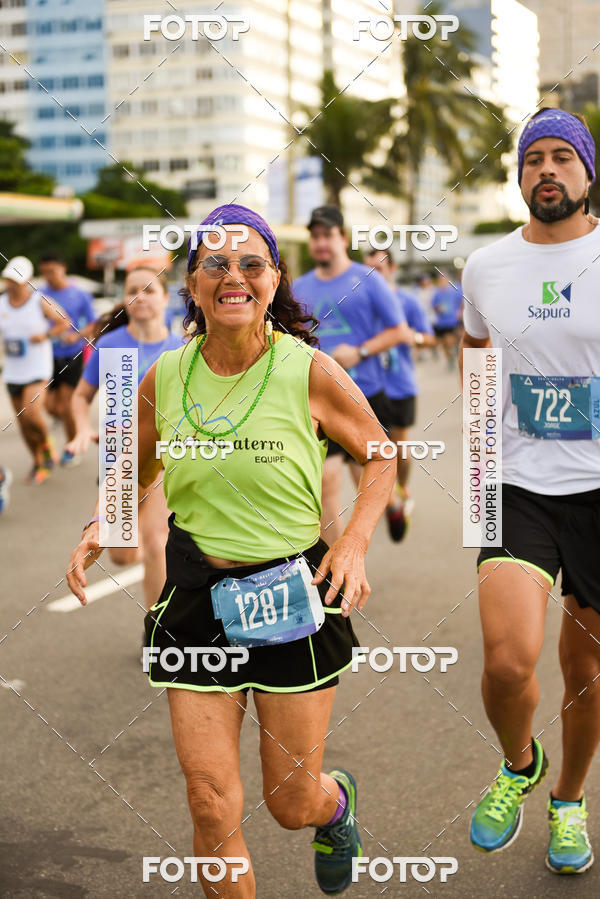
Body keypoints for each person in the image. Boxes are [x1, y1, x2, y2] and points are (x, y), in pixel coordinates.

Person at [66, 204, 396, 898]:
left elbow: (381, 454)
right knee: (210, 800)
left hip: (291, 594)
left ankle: (335, 807)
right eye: (216, 262)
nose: (234, 276)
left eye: (251, 263)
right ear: (192, 283)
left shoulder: (307, 371)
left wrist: (358, 540)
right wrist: (104, 520)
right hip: (194, 597)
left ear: (274, 281)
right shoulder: (166, 375)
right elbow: (136, 465)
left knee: (289, 801)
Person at [462, 108, 600, 874]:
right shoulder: (486, 267)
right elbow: (476, 359)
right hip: (516, 482)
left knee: (585, 671)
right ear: (519, 177)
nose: (546, 170)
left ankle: (569, 800)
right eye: (533, 159)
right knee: (509, 660)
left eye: (562, 158)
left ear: (587, 173)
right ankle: (520, 761)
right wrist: (479, 474)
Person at [67, 266, 181, 612]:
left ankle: (158, 632)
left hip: (163, 458)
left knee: (156, 540)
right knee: (122, 554)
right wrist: (82, 429)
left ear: (164, 298)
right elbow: (81, 396)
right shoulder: (111, 345)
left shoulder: (180, 349)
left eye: (149, 289)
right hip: (119, 458)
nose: (140, 296)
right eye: (133, 290)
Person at [293, 205, 409, 544]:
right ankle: (337, 574)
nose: (321, 243)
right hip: (318, 399)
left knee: (371, 484)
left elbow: (400, 332)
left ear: (343, 238)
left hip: (366, 395)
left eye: (327, 235)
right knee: (327, 482)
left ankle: (395, 501)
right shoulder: (299, 287)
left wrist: (359, 352)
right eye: (314, 236)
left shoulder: (368, 281)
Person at [363, 249, 436, 541]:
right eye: (368, 271)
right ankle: (384, 497)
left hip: (400, 384)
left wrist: (413, 337)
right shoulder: (363, 303)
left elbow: (429, 337)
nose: (373, 277)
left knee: (400, 446)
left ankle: (401, 489)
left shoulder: (407, 301)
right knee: (369, 449)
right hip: (367, 386)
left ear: (392, 269)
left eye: (378, 270)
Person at [0, 255, 71, 483]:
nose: (13, 284)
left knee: (31, 413)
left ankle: (46, 445)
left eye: (17, 280)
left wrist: (45, 335)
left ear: (28, 280)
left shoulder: (40, 300)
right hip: (12, 369)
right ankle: (39, 460)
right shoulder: (1, 303)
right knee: (22, 423)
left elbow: (65, 322)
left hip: (37, 367)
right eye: (9, 279)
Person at [38, 253, 97, 467]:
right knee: (48, 406)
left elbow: (94, 323)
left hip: (72, 354)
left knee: (66, 405)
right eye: (44, 273)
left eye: (52, 271)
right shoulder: (41, 294)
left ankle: (72, 447)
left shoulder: (79, 294)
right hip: (46, 356)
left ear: (63, 268)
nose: (49, 277)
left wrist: (76, 335)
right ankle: (66, 423)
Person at [431, 271, 463, 368]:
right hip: (443, 322)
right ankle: (450, 360)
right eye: (441, 279)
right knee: (446, 343)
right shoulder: (437, 293)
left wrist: (460, 312)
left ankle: (457, 352)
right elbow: (434, 306)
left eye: (444, 278)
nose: (443, 280)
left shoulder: (455, 289)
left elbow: (462, 301)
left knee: (458, 338)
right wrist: (438, 308)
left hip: (455, 320)